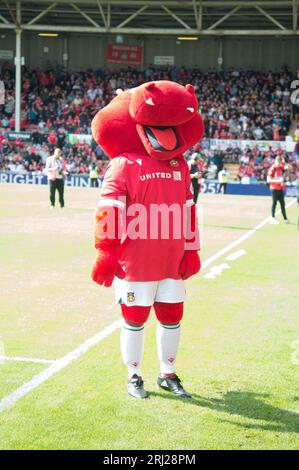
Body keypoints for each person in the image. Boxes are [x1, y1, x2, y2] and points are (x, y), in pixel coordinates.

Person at [267, 155, 290, 224]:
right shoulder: (272, 168)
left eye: (280, 162)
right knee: (274, 203)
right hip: (274, 188)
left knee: (282, 204)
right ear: (275, 161)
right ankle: (272, 218)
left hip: (280, 188)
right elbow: (268, 180)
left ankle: (285, 219)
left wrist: (285, 163)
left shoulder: (280, 167)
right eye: (278, 161)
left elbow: (289, 167)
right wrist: (278, 181)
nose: (279, 163)